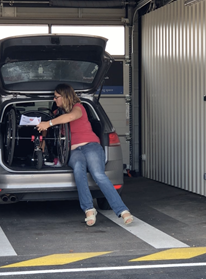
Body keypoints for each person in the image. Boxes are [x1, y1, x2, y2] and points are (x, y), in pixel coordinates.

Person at [36, 83, 133, 227]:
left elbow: (70, 117)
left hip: (91, 146)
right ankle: (89, 209)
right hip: (74, 151)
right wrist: (42, 141)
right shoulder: (57, 114)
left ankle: (123, 210)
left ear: (65, 96)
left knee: (98, 174)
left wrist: (49, 123)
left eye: (56, 97)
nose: (54, 100)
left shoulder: (78, 108)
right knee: (78, 170)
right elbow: (46, 127)